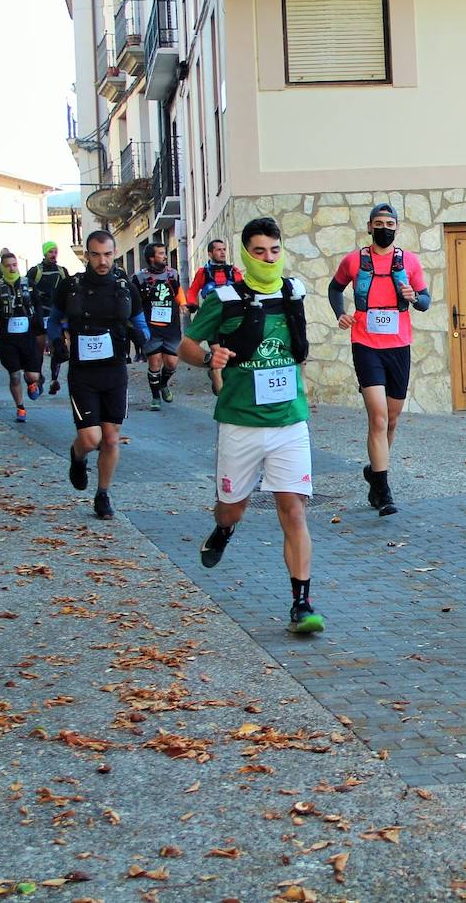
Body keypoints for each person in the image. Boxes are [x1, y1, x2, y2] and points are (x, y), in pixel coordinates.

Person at [179, 217, 322, 634]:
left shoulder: (293, 293)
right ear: (245, 254)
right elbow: (185, 345)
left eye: (274, 251)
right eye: (259, 252)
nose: (268, 258)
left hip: (289, 422)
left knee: (293, 510)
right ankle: (224, 529)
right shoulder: (224, 298)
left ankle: (302, 603)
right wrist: (209, 359)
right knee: (232, 509)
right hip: (240, 423)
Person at [327, 204, 430, 516]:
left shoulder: (409, 261)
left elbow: (425, 301)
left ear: (396, 228)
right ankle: (383, 490)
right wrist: (341, 314)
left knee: (393, 419)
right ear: (369, 227)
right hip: (365, 343)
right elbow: (335, 288)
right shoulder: (354, 260)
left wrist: (414, 297)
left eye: (390, 223)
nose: (384, 227)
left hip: (399, 345)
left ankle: (375, 471)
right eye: (379, 223)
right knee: (379, 417)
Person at [47, 230, 150, 520]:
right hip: (83, 372)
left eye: (107, 254)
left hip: (115, 370)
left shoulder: (125, 287)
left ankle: (102, 494)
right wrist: (56, 341)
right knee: (91, 438)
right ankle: (77, 456)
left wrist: (143, 338)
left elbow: (140, 322)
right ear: (87, 255)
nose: (102, 261)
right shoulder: (70, 286)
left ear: (114, 253)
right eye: (95, 254)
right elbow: (53, 320)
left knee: (111, 439)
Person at [0, 252, 46, 422]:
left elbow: (38, 303)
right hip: (8, 339)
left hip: (28, 335)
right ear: (2, 268)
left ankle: (32, 383)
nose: (11, 268)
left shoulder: (27, 284)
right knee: (14, 375)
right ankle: (20, 408)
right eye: (8, 265)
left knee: (33, 375)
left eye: (14, 264)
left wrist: (39, 323)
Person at [133, 243, 186, 410]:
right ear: (151, 258)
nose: (165, 256)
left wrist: (183, 304)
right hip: (150, 327)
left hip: (171, 326)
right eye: (161, 254)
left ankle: (163, 384)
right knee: (154, 362)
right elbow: (134, 302)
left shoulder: (172, 274)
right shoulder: (139, 278)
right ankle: (155, 397)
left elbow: (178, 292)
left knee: (171, 363)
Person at [187, 239, 243, 394]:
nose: (222, 252)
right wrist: (191, 303)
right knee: (217, 351)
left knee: (231, 353)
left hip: (231, 317)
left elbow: (244, 289)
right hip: (212, 317)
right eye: (218, 249)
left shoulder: (233, 271)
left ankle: (218, 374)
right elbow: (192, 290)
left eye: (224, 249)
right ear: (210, 253)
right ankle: (220, 391)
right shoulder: (203, 272)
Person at [29, 242, 71, 395]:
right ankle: (39, 376)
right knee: (39, 347)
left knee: (56, 346)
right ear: (44, 254)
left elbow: (69, 290)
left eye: (55, 251)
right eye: (50, 252)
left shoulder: (62, 271)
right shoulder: (35, 271)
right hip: (40, 314)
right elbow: (28, 290)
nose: (53, 255)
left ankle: (54, 379)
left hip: (56, 314)